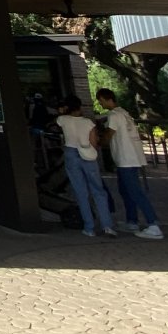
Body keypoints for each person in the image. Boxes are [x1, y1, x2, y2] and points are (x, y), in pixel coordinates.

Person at [96, 88, 163, 239]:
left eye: (100, 101)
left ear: (106, 99)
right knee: (126, 191)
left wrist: (98, 143)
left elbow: (109, 134)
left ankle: (153, 224)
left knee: (135, 192)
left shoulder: (114, 115)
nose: (100, 104)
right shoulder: (125, 113)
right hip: (131, 158)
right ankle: (131, 220)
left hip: (125, 159)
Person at [55, 95, 117, 238]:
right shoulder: (88, 122)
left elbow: (57, 120)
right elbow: (94, 141)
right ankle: (107, 226)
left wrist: (62, 110)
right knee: (98, 190)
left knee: (80, 192)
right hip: (88, 153)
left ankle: (89, 227)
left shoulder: (63, 120)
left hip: (71, 153)